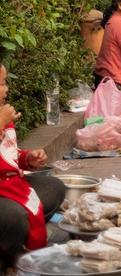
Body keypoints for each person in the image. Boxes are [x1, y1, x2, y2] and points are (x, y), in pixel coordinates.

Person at [0, 64, 66, 270]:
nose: (6, 89)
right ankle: (7, 256)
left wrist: (27, 158)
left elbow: (7, 155)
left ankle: (16, 242)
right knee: (15, 216)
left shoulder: (3, 113)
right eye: (1, 83)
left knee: (54, 188)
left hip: (8, 183)